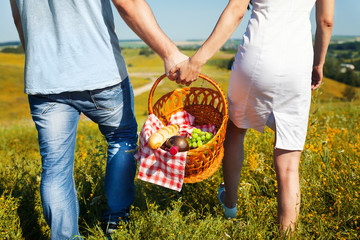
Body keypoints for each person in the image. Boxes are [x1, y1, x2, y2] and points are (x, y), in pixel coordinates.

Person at [10, 0, 187, 239]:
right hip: (100, 72)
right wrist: (169, 52)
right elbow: (129, 3)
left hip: (45, 78)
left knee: (55, 168)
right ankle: (116, 220)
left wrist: (41, 59)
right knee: (121, 139)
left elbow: (19, 18)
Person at [169, 0, 334, 233]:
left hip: (256, 59)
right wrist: (318, 63)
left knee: (236, 130)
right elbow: (326, 22)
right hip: (298, 65)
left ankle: (230, 205)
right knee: (289, 163)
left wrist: (196, 62)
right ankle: (286, 235)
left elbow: (236, 11)